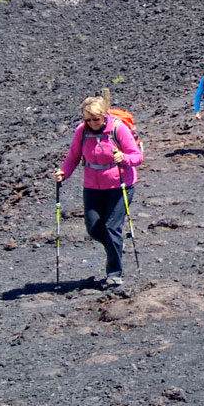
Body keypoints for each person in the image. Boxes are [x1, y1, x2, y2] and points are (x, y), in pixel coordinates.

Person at [53, 96, 143, 288]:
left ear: (104, 115)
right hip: (92, 186)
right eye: (88, 119)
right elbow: (73, 157)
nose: (92, 123)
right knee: (93, 228)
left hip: (120, 185)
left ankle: (114, 273)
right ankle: (115, 247)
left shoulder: (119, 129)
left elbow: (137, 157)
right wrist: (64, 174)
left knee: (112, 227)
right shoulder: (81, 131)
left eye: (96, 118)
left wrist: (123, 157)